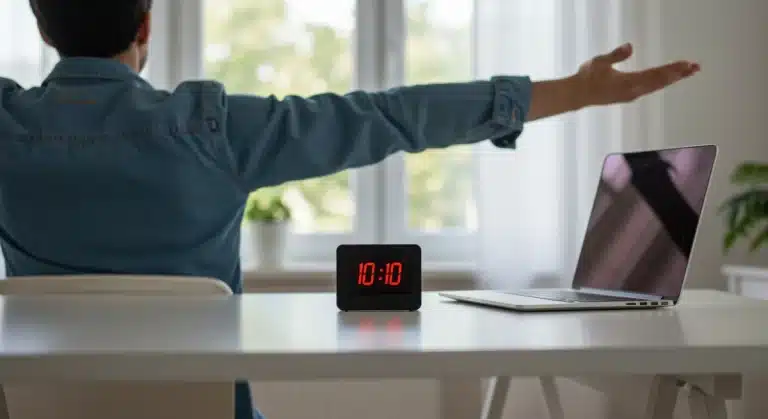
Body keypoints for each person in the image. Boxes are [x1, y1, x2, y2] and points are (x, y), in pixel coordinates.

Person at [0, 0, 700, 418]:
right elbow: (390, 115)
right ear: (147, 23)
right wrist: (572, 93)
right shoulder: (212, 130)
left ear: (40, 22)